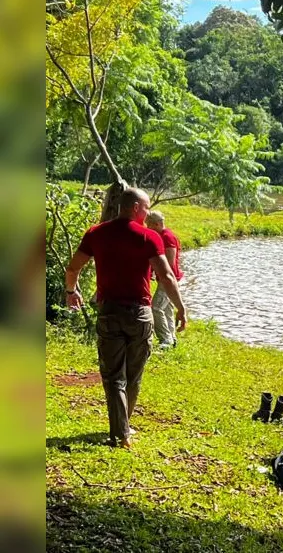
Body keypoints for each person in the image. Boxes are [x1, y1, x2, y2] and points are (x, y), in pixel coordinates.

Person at [65, 187, 187, 449]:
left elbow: (73, 267)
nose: (148, 212)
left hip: (109, 311)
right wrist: (180, 307)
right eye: (146, 207)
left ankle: (121, 430)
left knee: (112, 377)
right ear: (135, 208)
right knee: (133, 374)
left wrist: (70, 291)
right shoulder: (148, 237)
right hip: (139, 314)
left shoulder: (96, 233)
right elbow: (166, 276)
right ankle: (123, 430)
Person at [145, 210, 183, 349]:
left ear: (156, 224)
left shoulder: (167, 237)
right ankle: (171, 338)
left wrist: (161, 275)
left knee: (155, 307)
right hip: (164, 279)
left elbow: (170, 262)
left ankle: (165, 340)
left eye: (149, 225)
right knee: (167, 308)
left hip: (168, 280)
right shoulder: (160, 235)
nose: (147, 227)